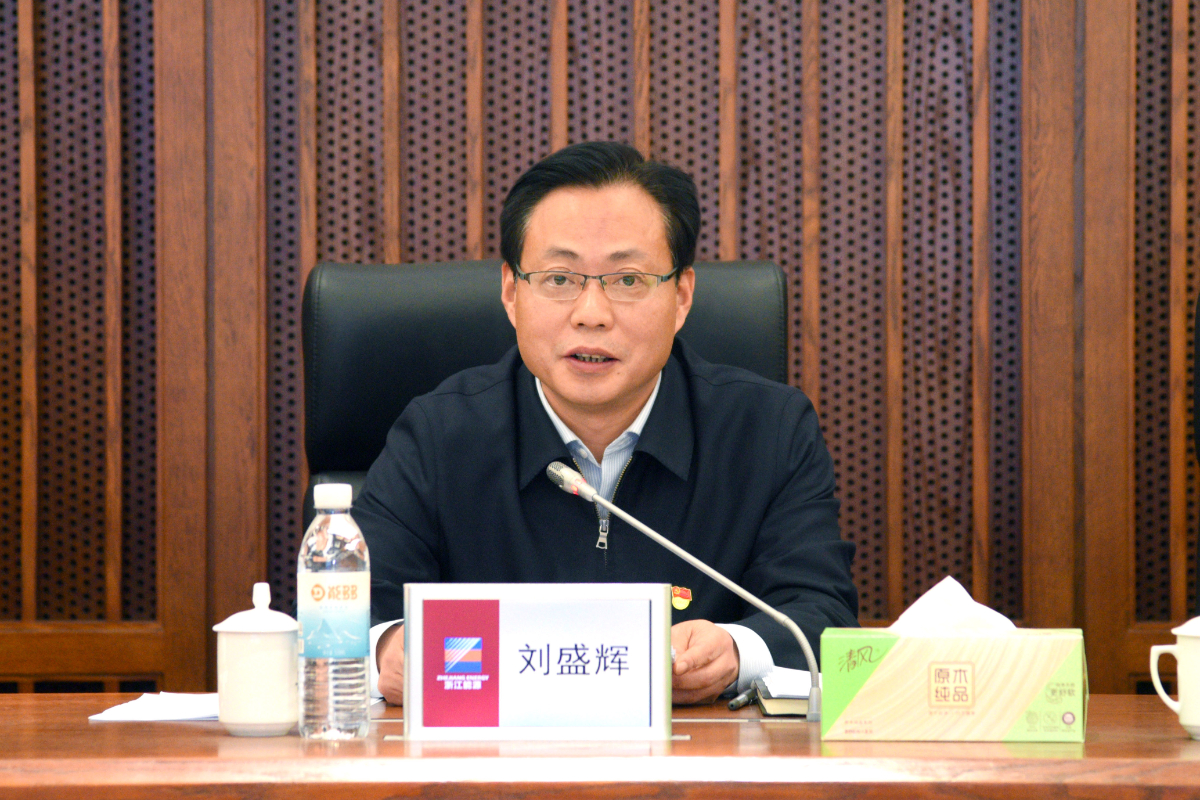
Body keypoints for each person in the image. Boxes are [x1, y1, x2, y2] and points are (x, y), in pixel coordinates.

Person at [353, 141, 858, 706]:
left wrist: (738, 651)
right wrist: (389, 649)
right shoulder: (438, 435)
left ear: (682, 296)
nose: (591, 314)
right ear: (511, 293)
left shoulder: (768, 432)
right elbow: (352, 609)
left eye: (628, 280)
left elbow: (823, 616)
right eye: (559, 278)